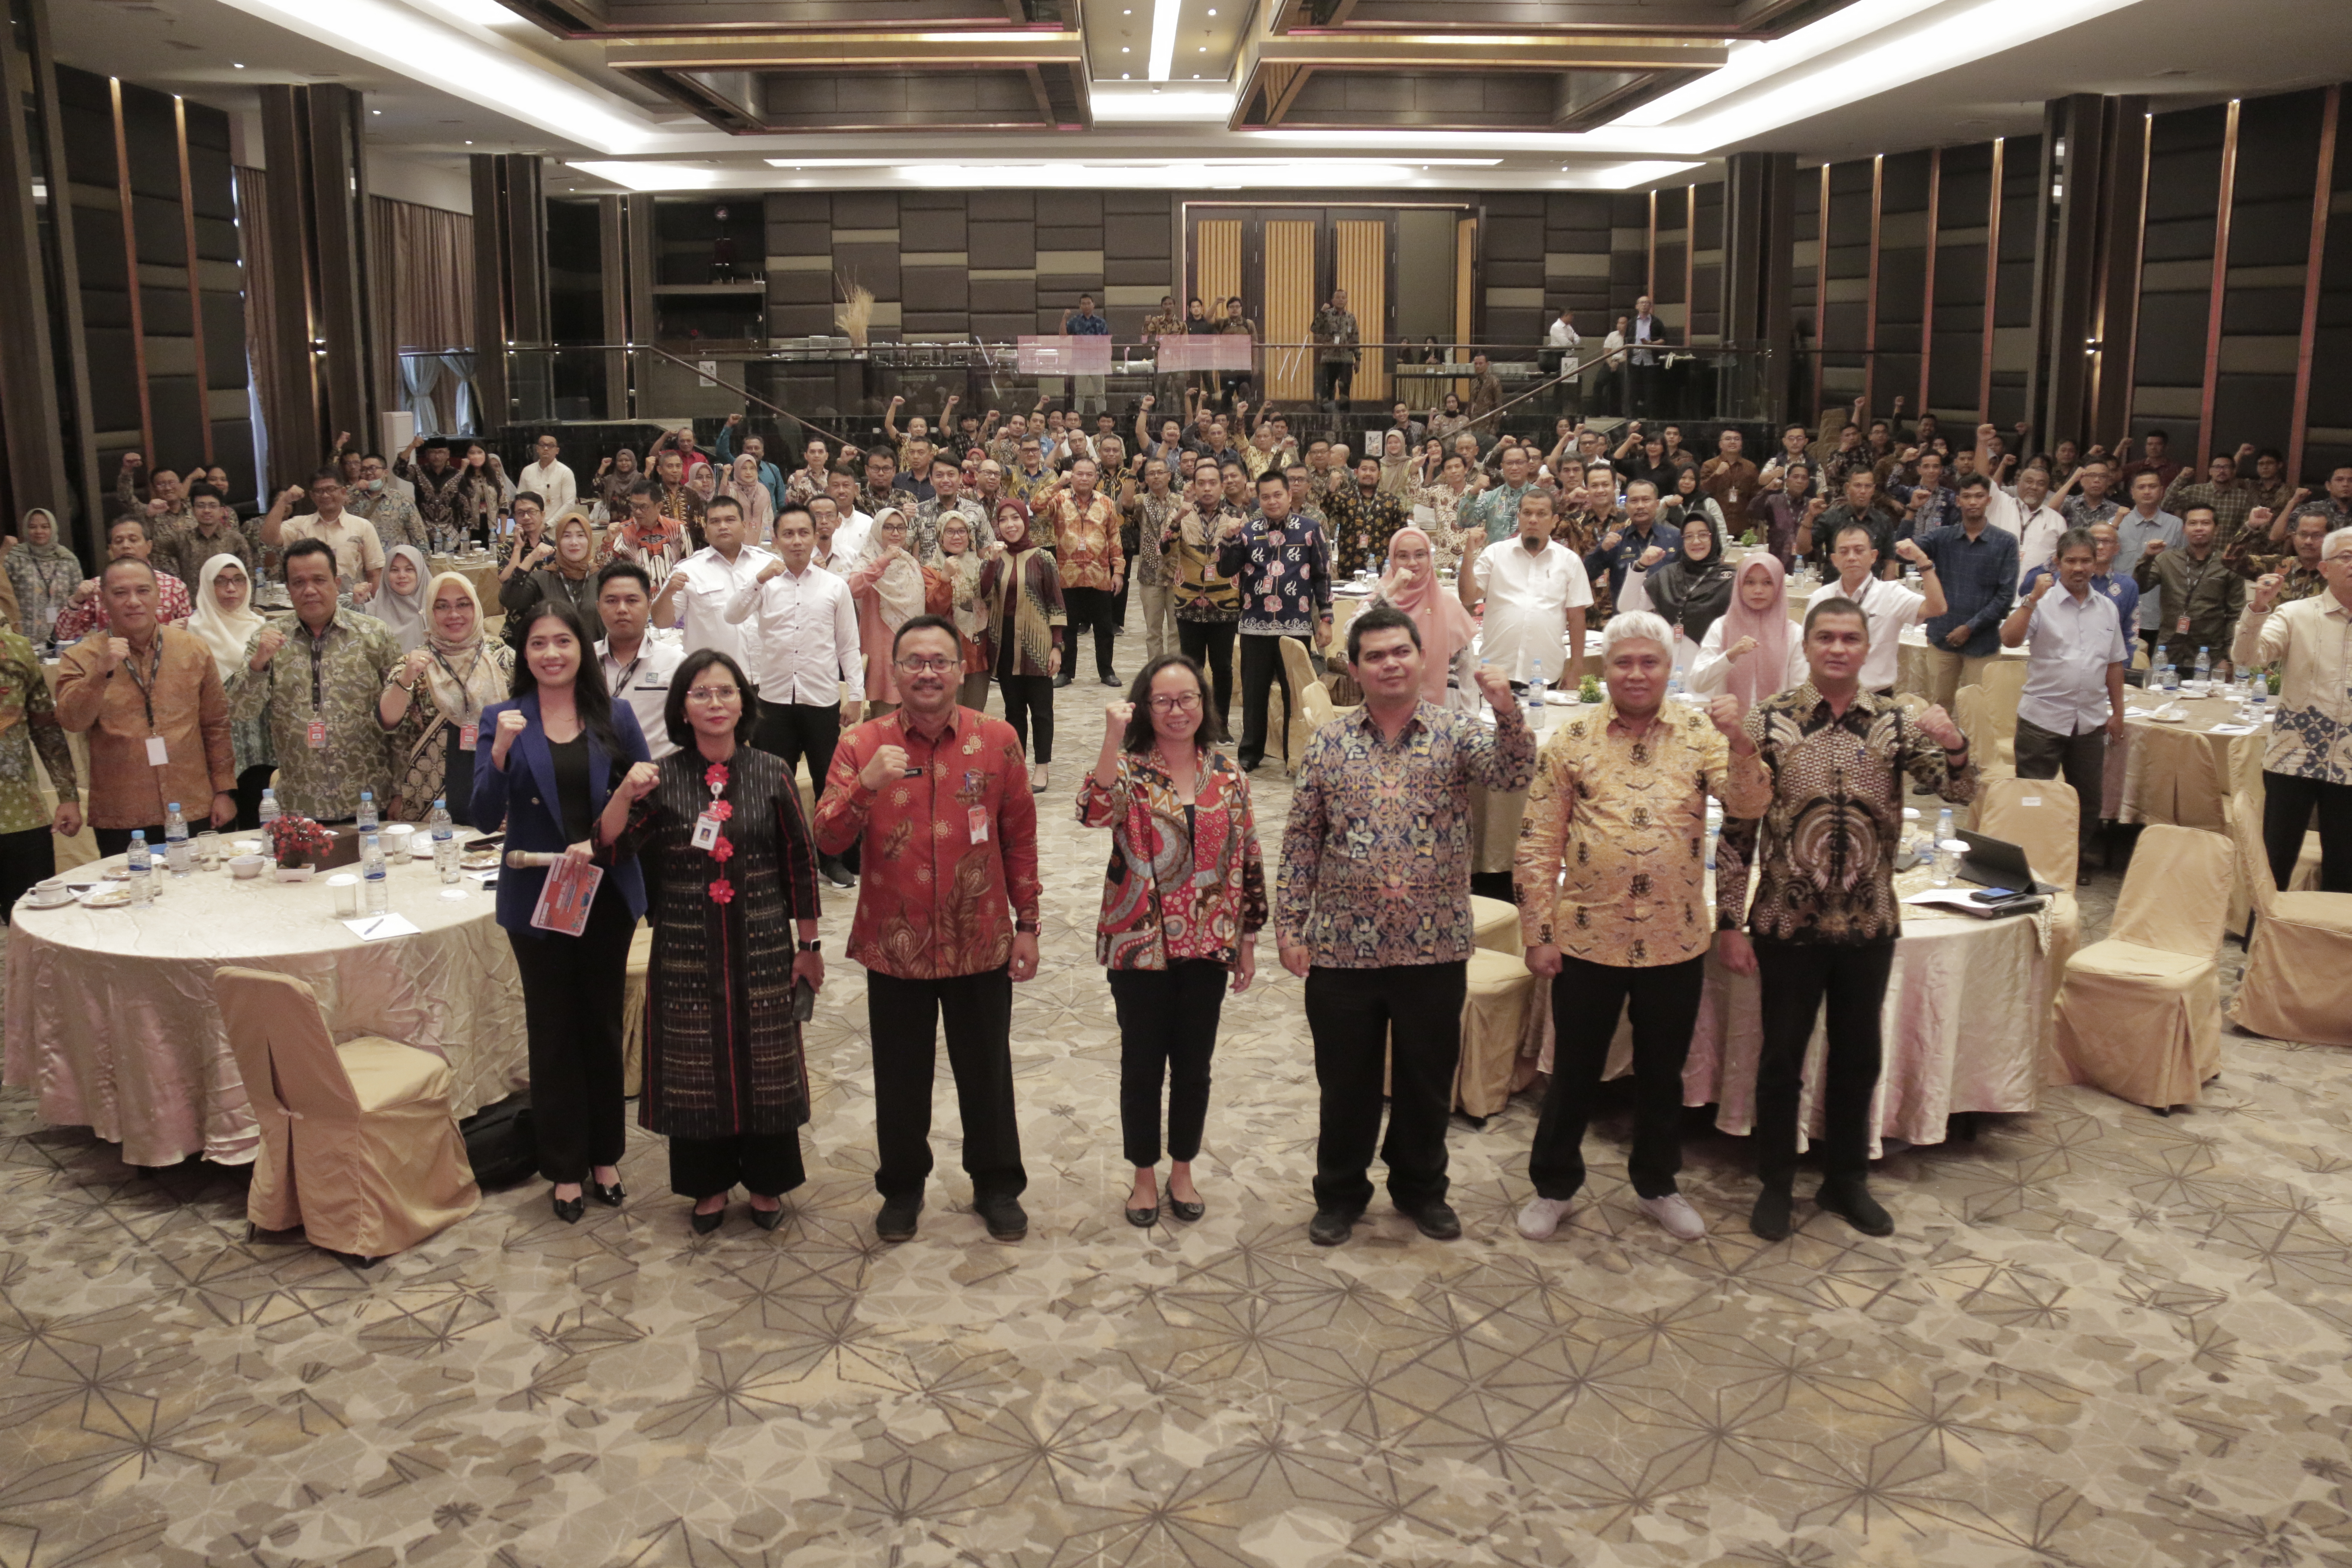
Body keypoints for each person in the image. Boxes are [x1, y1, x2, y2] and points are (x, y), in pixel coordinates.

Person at [1715, 597, 1975, 1241]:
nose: (1837, 649)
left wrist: (1957, 745)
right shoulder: (1770, 721)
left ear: (1865, 649)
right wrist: (1727, 920)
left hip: (1869, 923)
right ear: (1807, 647)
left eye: (1849, 639)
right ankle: (1776, 1181)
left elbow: (1959, 791)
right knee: (1780, 1059)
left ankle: (1845, 1181)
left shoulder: (1894, 721)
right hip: (1785, 922)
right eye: (1825, 638)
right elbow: (1739, 827)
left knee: (1859, 1057)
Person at [1513, 612, 1771, 1243]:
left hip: (1674, 937)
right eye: (1623, 662)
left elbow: (1748, 806)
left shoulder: (1699, 733)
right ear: (1607, 668)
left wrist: (1742, 744)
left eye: (1648, 663)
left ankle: (1657, 1184)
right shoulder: (1572, 737)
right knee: (1573, 1072)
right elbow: (1538, 842)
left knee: (1663, 1074)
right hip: (1586, 935)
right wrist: (1537, 931)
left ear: (1668, 668)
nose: (1635, 673)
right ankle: (1553, 1186)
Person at [1279, 605, 1531, 1246]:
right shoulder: (1331, 743)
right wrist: (1289, 922)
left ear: (1422, 659)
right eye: (1376, 655)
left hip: (1434, 947)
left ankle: (1421, 1189)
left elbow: (1513, 773)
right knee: (1346, 1086)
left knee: (1425, 1082)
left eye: (1401, 652)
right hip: (1340, 949)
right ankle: (1340, 1193)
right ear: (1355, 668)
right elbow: (1303, 837)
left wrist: (1506, 710)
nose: (1391, 664)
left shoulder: (1456, 733)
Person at [813, 615, 1043, 1244]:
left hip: (980, 936)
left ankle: (997, 1184)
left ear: (961, 669)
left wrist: (1030, 924)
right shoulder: (862, 744)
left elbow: (1019, 837)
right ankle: (903, 1187)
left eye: (939, 661)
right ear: (895, 671)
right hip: (896, 941)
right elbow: (826, 836)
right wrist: (864, 788)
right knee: (901, 1074)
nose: (927, 672)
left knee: (987, 1073)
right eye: (913, 661)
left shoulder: (996, 739)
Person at [600, 649, 824, 1234]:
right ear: (681, 707)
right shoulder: (663, 777)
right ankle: (708, 1185)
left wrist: (810, 946)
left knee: (768, 1060)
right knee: (694, 1062)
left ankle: (768, 1181)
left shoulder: (771, 770)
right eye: (700, 693)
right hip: (687, 949)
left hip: (763, 945)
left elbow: (799, 863)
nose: (715, 703)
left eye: (725, 692)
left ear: (744, 703)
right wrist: (624, 793)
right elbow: (611, 849)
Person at [473, 599, 651, 1224]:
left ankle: (606, 1156)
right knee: (552, 1032)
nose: (551, 654)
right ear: (525, 655)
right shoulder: (502, 717)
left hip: (604, 892)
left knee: (600, 1025)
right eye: (538, 644)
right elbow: (479, 812)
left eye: (563, 642)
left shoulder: (615, 716)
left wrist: (636, 792)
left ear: (583, 649)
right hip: (535, 897)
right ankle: (564, 1167)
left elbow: (645, 801)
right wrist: (499, 755)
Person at [1080, 655, 1266, 1227]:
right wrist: (1112, 739)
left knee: (1194, 1066)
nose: (1177, 710)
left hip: (1208, 944)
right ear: (1145, 707)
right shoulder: (1131, 770)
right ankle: (1142, 1176)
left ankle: (1181, 1170)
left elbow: (1248, 856)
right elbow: (1091, 811)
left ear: (1204, 703)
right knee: (1141, 1065)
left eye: (1188, 699)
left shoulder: (1229, 775)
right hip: (1139, 943)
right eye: (1163, 701)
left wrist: (1248, 940)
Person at [54, 557, 235, 858]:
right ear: (103, 599)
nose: (134, 602)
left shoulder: (193, 649)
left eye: (143, 591)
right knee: (129, 896)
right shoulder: (81, 657)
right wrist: (100, 673)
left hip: (193, 803)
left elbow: (216, 725)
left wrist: (223, 791)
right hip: (122, 813)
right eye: (120, 593)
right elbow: (72, 721)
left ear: (158, 595)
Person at [728, 502, 862, 885]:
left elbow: (848, 646)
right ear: (777, 538)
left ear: (816, 533)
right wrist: (758, 579)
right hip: (772, 701)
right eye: (788, 534)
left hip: (821, 700)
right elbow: (732, 615)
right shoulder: (764, 582)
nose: (797, 541)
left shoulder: (834, 586)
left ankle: (832, 858)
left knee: (828, 783)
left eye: (804, 532)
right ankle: (776, 860)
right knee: (772, 786)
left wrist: (856, 695)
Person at [229, 538, 401, 824]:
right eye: (298, 583)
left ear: (337, 583)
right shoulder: (268, 639)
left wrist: (399, 789)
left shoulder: (375, 635)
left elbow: (400, 720)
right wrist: (258, 665)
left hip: (369, 800)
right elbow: (242, 712)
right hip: (300, 805)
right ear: (288, 589)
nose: (309, 590)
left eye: (319, 580)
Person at [2000, 529, 2127, 878]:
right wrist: (2030, 600)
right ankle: (2033, 861)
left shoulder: (2108, 609)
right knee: (2034, 797)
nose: (2079, 567)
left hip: (2089, 719)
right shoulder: (2040, 602)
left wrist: (2118, 713)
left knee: (2087, 799)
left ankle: (2075, 858)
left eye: (2086, 560)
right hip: (2042, 718)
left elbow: (2115, 663)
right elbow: (2009, 640)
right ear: (2057, 563)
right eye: (2071, 560)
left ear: (2096, 562)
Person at [2231, 529, 2352, 893]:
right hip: (2293, 756)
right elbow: (2247, 658)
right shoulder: (2295, 614)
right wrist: (2257, 609)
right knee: (2275, 862)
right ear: (2326, 568)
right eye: (2347, 557)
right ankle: (2262, 944)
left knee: (2345, 869)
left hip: (2350, 764)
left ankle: (2332, 947)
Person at [1216, 471, 1332, 774]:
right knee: (1254, 694)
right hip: (1255, 625)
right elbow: (1226, 569)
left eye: (1277, 495)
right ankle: (1250, 753)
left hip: (1296, 627)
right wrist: (1228, 539)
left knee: (1297, 696)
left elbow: (1322, 576)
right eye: (1265, 497)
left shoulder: (1310, 530)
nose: (1272, 501)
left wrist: (1327, 619)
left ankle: (1295, 753)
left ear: (1289, 495)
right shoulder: (1247, 530)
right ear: (1259, 499)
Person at [377, 570, 511, 827]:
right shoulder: (415, 663)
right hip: (431, 801)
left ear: (477, 607)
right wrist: (405, 680)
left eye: (463, 604)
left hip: (496, 791)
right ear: (429, 612)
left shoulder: (504, 658)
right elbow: (387, 721)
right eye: (442, 607)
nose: (454, 615)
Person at [1914, 473, 2021, 712]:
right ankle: (1939, 750)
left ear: (1989, 501)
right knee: (1939, 706)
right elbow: (1903, 548)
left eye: (1979, 496)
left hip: (1982, 641)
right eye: (1967, 496)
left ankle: (1976, 752)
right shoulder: (1942, 537)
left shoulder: (2005, 543)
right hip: (1942, 636)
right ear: (1958, 501)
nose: (1973, 502)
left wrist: (1970, 628)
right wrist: (1911, 511)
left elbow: (2005, 597)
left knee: (1980, 709)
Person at [979, 499, 1066, 791]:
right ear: (997, 526)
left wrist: (1057, 646)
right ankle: (1017, 768)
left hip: (1037, 645)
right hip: (1004, 646)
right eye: (1003, 520)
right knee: (1013, 712)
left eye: (1015, 518)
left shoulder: (1043, 558)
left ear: (1025, 521)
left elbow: (1056, 603)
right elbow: (983, 592)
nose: (1010, 525)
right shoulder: (993, 558)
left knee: (1042, 711)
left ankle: (1042, 768)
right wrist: (991, 561)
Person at [0, 599, 77, 915]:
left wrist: (68, 796)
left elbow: (46, 732)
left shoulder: (17, 653)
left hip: (20, 816)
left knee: (33, 922)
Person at [187, 555, 276, 828]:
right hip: (215, 752)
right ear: (206, 586)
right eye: (221, 581)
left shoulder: (261, 628)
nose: (231, 589)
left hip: (261, 747)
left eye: (238, 580)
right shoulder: (191, 634)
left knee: (260, 831)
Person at [1805, 524, 1944, 695]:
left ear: (1873, 556)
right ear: (1834, 560)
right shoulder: (1821, 597)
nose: (1851, 558)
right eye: (1844, 552)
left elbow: (1938, 608)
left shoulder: (1891, 594)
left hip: (1876, 696)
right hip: (1827, 694)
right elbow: (1808, 648)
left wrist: (1922, 560)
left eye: (1859, 551)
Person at [1470, 489, 1590, 686]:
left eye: (1541, 514)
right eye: (1527, 513)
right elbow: (1468, 597)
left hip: (1545, 672)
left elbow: (1577, 617)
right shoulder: (1495, 554)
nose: (1533, 520)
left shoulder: (1570, 561)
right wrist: (1469, 553)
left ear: (1554, 520)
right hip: (1496, 669)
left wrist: (1576, 668)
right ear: (1519, 517)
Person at [654, 493, 774, 674]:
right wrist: (668, 592)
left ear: (744, 526)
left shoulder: (768, 564)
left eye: (730, 520)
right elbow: (662, 622)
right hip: (713, 680)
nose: (723, 526)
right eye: (715, 522)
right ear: (706, 529)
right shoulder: (689, 570)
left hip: (768, 677)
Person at [846, 509, 947, 719]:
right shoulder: (867, 560)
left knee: (911, 712)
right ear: (877, 530)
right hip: (879, 649)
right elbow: (853, 589)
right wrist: (883, 561)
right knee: (883, 717)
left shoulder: (909, 562)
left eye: (901, 528)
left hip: (908, 645)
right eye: (889, 527)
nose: (895, 533)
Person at [1036, 458, 1124, 689]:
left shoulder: (1106, 503)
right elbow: (1036, 507)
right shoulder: (1059, 500)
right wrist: (1057, 484)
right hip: (1067, 575)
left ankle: (1107, 671)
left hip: (1100, 575)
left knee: (1105, 629)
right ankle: (1065, 672)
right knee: (1068, 629)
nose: (1084, 478)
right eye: (1079, 474)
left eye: (1089, 474)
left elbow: (1115, 538)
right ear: (1071, 476)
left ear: (1096, 477)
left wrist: (1119, 572)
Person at [1167, 467, 1241, 742]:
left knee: (1223, 667)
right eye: (1202, 483)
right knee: (1192, 668)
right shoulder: (1182, 514)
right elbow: (1164, 550)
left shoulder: (1237, 517)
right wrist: (1176, 520)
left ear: (1222, 486)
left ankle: (1221, 724)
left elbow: (1242, 559)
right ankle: (1193, 722)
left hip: (1225, 602)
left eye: (1213, 483)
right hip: (1188, 602)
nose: (1207, 489)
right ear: (1194, 487)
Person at [1372, 526, 1476, 709]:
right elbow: (1352, 632)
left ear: (1430, 559)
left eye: (1420, 555)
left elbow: (1467, 672)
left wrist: (1472, 723)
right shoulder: (1383, 601)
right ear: (1392, 560)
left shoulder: (1447, 604)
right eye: (1403, 556)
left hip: (1444, 709)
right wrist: (1392, 590)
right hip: (1390, 705)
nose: (1413, 563)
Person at [1687, 554, 1807, 712]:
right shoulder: (1722, 627)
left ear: (1779, 587)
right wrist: (1730, 656)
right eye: (1750, 582)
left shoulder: (1792, 633)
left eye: (1768, 583)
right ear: (1739, 586)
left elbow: (1800, 690)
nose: (1758, 590)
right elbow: (1699, 683)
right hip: (1728, 726)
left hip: (1777, 728)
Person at [2135, 504, 2244, 676]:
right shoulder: (2166, 560)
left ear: (2216, 529)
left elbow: (2236, 615)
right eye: (2193, 524)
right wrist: (2148, 557)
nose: (2199, 528)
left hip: (2211, 656)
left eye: (2205, 523)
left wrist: (2229, 658)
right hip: (2168, 653)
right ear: (2184, 529)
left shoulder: (2229, 565)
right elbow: (2139, 588)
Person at [592, 561, 682, 767]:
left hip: (658, 773)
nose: (622, 609)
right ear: (598, 607)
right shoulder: (583, 661)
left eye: (632, 600)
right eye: (611, 601)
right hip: (597, 774)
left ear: (649, 604)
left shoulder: (675, 662)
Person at [53, 518, 193, 643]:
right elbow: (65, 635)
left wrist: (173, 632)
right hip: (114, 662)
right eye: (119, 541)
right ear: (111, 549)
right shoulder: (98, 587)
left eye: (133, 540)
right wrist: (77, 602)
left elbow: (191, 637)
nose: (126, 546)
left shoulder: (175, 586)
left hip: (165, 662)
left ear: (149, 546)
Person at [1626, 510, 1735, 671]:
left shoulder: (1731, 580)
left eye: (1703, 535)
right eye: (1689, 536)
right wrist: (1640, 567)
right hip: (1669, 669)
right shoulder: (1669, 574)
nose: (1696, 542)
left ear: (1715, 538)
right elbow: (1627, 607)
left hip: (1709, 670)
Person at [260, 469, 386, 600]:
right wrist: (283, 501)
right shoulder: (299, 525)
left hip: (354, 604)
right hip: (311, 601)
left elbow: (374, 574)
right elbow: (268, 538)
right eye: (319, 491)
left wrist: (376, 609)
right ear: (312, 496)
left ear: (343, 492)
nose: (325, 495)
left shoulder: (363, 526)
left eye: (331, 489)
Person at [501, 507, 601, 651]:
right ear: (558, 542)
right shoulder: (542, 578)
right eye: (566, 536)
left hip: (596, 659)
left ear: (589, 539)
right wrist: (530, 559)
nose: (574, 542)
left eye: (581, 535)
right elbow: (509, 600)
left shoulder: (601, 578)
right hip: (555, 657)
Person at [2114, 470, 2186, 651]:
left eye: (2152, 486)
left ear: (2162, 491)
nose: (2147, 491)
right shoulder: (2118, 523)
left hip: (2158, 613)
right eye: (2141, 487)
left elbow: (2183, 569)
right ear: (2132, 492)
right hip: (2120, 609)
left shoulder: (2176, 525)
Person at [1586, 479, 1681, 609]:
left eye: (1646, 500)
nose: (1640, 506)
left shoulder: (1675, 537)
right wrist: (1601, 551)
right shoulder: (1616, 540)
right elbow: (1587, 575)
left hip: (1665, 618)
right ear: (1626, 506)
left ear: (1657, 504)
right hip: (1626, 618)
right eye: (1634, 501)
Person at [934, 513, 992, 713]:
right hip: (948, 654)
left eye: (962, 531)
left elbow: (992, 599)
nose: (957, 537)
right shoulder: (930, 569)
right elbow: (934, 608)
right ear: (941, 538)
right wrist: (944, 578)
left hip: (979, 652)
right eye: (950, 532)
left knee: (975, 716)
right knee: (949, 715)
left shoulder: (982, 566)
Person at [162, 486, 257, 590]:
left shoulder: (236, 540)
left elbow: (249, 576)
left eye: (212, 506)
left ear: (222, 511)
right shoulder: (180, 539)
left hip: (228, 602)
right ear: (193, 510)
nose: (207, 511)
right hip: (193, 604)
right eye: (201, 506)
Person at [9, 508, 80, 646]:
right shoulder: (14, 559)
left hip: (64, 638)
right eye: (33, 527)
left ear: (53, 529)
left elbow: (79, 599)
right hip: (24, 639)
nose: (39, 532)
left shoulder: (68, 559)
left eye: (45, 527)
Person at [365, 545, 431, 654]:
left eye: (409, 570)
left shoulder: (439, 607)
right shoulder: (371, 614)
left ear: (420, 572)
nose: (402, 576)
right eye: (395, 570)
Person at [1312, 288, 1358, 409]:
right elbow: (1315, 329)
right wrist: (1322, 312)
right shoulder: (1326, 315)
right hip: (1329, 359)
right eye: (1338, 298)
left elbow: (1355, 339)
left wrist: (1358, 359)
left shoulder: (1351, 318)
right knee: (1326, 392)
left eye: (1343, 298)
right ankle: (1326, 424)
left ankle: (1344, 424)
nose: (1341, 300)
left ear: (1347, 300)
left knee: (1345, 393)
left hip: (1346, 360)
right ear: (1333, 300)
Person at [519, 432, 576, 519]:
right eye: (542, 445)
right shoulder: (527, 471)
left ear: (557, 451)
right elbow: (520, 500)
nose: (546, 449)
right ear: (537, 449)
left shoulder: (565, 472)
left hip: (556, 527)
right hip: (531, 525)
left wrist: (548, 525)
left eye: (550, 446)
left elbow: (569, 505)